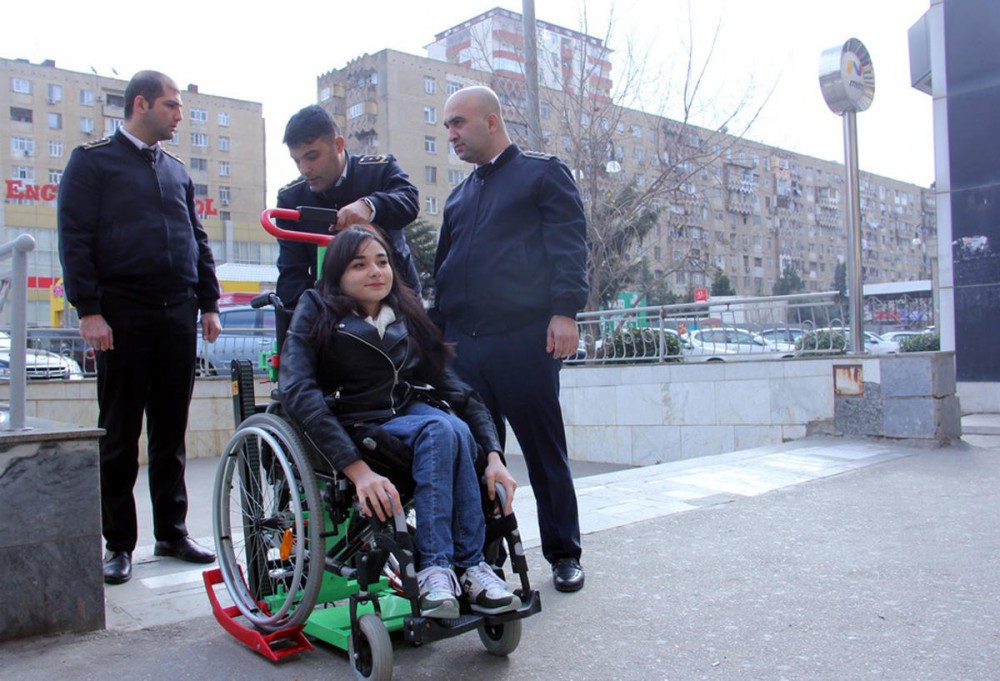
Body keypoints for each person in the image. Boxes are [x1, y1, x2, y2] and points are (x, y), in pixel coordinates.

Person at [280, 226, 520, 617]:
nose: (376, 272)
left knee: (452, 426)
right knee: (443, 429)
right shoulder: (316, 308)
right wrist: (358, 473)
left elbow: (457, 388)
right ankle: (440, 566)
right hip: (352, 424)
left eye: (382, 261)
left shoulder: (405, 313)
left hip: (404, 415)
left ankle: (468, 567)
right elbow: (297, 391)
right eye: (360, 265)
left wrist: (494, 456)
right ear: (338, 274)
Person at [57, 70, 223, 585]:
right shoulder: (93, 162)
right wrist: (88, 310)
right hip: (121, 316)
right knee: (121, 432)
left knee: (170, 430)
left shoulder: (175, 170)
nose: (179, 114)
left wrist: (209, 302)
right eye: (172, 106)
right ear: (141, 103)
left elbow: (197, 237)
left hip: (177, 314)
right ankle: (119, 544)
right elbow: (75, 237)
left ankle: (172, 531)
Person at [433, 85, 589, 593]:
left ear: (492, 121)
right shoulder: (459, 196)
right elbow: (444, 271)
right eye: (447, 127)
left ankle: (564, 553)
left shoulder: (542, 174)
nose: (451, 134)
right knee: (480, 457)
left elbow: (569, 245)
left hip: (524, 340)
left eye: (458, 123)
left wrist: (565, 311)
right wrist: (437, 338)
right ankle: (487, 559)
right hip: (465, 346)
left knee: (544, 453)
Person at [276, 105, 420, 308]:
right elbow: (292, 274)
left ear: (338, 144)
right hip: (332, 312)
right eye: (296, 160)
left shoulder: (379, 170)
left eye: (312, 156)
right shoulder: (290, 199)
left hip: (397, 304)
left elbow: (409, 201)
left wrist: (370, 206)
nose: (304, 169)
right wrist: (302, 323)